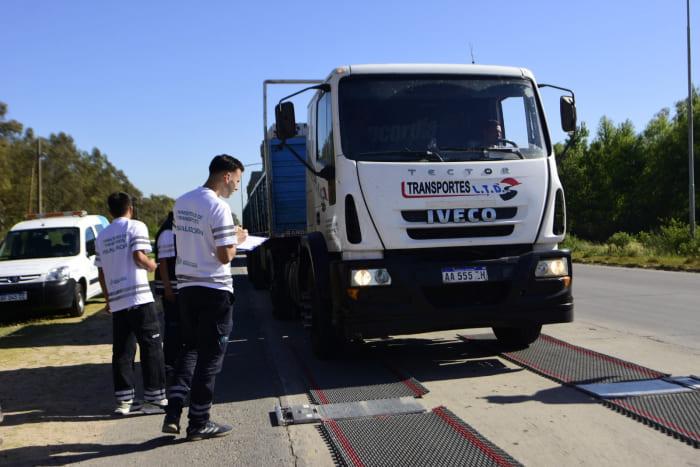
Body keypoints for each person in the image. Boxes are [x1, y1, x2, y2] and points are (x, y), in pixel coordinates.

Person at [163, 155, 248, 441]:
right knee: (210, 359)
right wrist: (238, 240)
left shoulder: (182, 202)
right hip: (214, 289)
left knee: (189, 349)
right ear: (226, 176)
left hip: (187, 288)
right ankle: (199, 421)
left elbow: (181, 243)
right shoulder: (218, 207)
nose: (237, 187)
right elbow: (225, 256)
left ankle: (173, 410)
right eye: (237, 180)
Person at [96, 192, 167, 416]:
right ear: (130, 208)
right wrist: (153, 265)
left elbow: (101, 272)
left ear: (110, 211)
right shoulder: (136, 226)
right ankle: (155, 399)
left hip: (118, 300)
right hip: (138, 298)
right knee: (151, 346)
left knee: (123, 351)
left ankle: (124, 401)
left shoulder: (101, 236)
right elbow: (139, 257)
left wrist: (108, 300)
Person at [153, 211, 181, 385]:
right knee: (172, 327)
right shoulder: (167, 233)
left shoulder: (172, 230)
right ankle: (169, 364)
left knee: (178, 326)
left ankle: (175, 362)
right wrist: (169, 289)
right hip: (169, 286)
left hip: (174, 286)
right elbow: (163, 263)